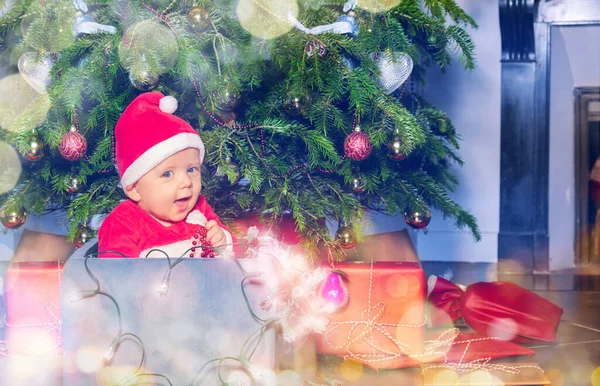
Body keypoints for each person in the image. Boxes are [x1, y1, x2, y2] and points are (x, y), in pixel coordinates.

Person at [98, 92, 235, 258]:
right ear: (135, 188)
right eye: (168, 173)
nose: (186, 182)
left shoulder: (200, 207)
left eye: (191, 170)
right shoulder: (124, 222)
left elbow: (230, 257)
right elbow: (115, 276)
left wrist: (222, 241)